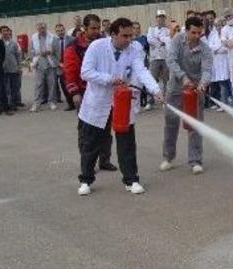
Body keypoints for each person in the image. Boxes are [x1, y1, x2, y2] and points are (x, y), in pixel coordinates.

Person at [77, 17, 162, 196]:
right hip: (98, 102)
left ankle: (131, 180)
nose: (129, 40)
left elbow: (141, 70)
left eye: (131, 35)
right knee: (91, 143)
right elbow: (85, 72)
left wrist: (155, 89)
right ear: (113, 34)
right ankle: (86, 179)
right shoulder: (97, 47)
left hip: (122, 102)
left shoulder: (135, 48)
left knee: (127, 143)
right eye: (125, 36)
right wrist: (109, 79)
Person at [64, 14, 117, 173]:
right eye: (93, 28)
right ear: (84, 29)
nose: (96, 31)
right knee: (86, 131)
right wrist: (74, 93)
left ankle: (104, 160)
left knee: (106, 128)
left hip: (104, 91)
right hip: (84, 93)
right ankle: (87, 163)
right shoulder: (73, 47)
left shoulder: (105, 43)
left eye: (98, 28)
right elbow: (70, 71)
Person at [162, 16, 213, 175]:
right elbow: (171, 61)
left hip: (195, 91)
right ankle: (168, 157)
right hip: (175, 89)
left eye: (200, 33)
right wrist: (183, 77)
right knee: (171, 123)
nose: (197, 36)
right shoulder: (177, 40)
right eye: (194, 32)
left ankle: (195, 160)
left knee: (195, 125)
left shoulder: (205, 49)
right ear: (186, 30)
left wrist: (203, 84)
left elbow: (207, 70)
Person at [146, 10, 172, 109]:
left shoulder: (168, 29)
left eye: (162, 17)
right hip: (154, 58)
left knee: (166, 80)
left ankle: (165, 101)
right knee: (151, 79)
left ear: (164, 18)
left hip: (165, 57)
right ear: (156, 18)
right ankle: (150, 101)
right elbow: (150, 40)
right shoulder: (151, 29)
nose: (160, 19)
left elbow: (168, 40)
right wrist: (161, 42)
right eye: (159, 17)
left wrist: (161, 40)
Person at [29, 22, 57, 112]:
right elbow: (31, 51)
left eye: (43, 28)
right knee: (38, 85)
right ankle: (36, 103)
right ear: (37, 29)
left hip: (50, 63)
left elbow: (56, 50)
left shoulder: (52, 37)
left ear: (46, 28)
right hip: (39, 63)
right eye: (40, 28)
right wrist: (37, 53)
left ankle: (51, 102)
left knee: (51, 84)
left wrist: (50, 51)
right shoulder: (34, 37)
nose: (42, 30)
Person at [207, 16, 232, 110]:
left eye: (220, 25)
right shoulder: (212, 34)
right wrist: (219, 47)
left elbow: (228, 47)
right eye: (217, 25)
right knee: (222, 84)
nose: (219, 27)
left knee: (230, 83)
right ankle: (223, 104)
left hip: (227, 60)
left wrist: (218, 49)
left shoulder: (228, 32)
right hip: (217, 62)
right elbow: (210, 46)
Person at [52, 23, 75, 110]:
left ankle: (77, 102)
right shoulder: (54, 41)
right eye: (58, 31)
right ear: (56, 32)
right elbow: (52, 55)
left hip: (71, 66)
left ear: (64, 30)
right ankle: (70, 104)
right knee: (64, 86)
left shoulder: (72, 39)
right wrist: (59, 63)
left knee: (73, 85)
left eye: (61, 30)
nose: (60, 32)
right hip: (60, 68)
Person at [0, 26, 24, 109]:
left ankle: (13, 103)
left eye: (7, 31)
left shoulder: (13, 43)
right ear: (1, 32)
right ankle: (8, 104)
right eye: (3, 31)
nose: (5, 32)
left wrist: (19, 67)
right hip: (3, 70)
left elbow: (18, 56)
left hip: (14, 69)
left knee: (14, 88)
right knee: (6, 88)